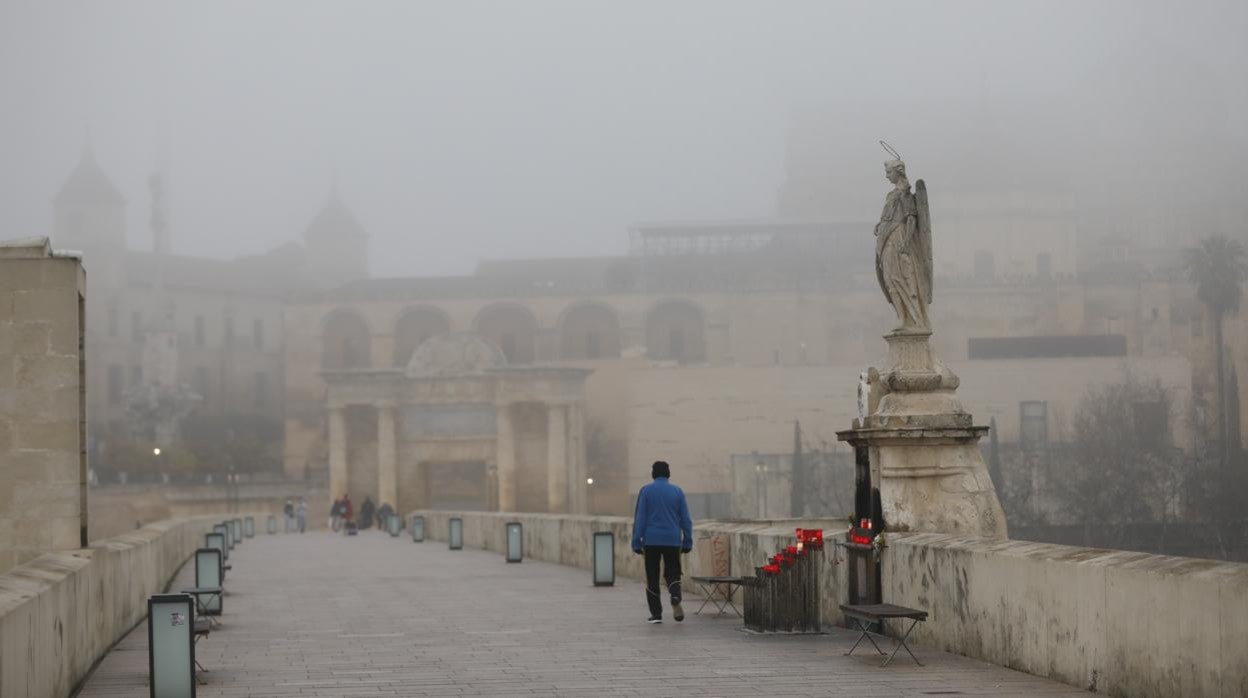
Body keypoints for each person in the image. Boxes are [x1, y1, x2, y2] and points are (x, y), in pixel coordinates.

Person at [631, 460, 693, 624]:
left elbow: (640, 518)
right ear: (668, 474)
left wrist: (636, 541)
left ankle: (656, 614)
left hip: (651, 540)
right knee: (673, 570)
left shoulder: (646, 491)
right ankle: (675, 594)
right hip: (672, 539)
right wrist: (687, 540)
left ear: (653, 474)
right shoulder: (677, 491)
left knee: (652, 576)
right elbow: (685, 519)